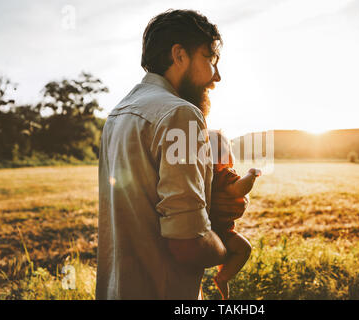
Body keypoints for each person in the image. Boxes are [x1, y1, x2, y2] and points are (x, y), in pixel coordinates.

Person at [96, 9, 249, 299]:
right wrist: (229, 247)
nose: (216, 76)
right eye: (210, 59)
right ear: (179, 55)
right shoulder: (181, 113)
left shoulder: (117, 114)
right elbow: (186, 244)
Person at [208, 130, 261, 299]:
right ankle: (222, 278)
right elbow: (239, 189)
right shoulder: (224, 175)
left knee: (224, 256)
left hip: (204, 226)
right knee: (244, 249)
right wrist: (251, 174)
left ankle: (223, 287)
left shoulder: (202, 175)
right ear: (225, 155)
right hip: (221, 230)